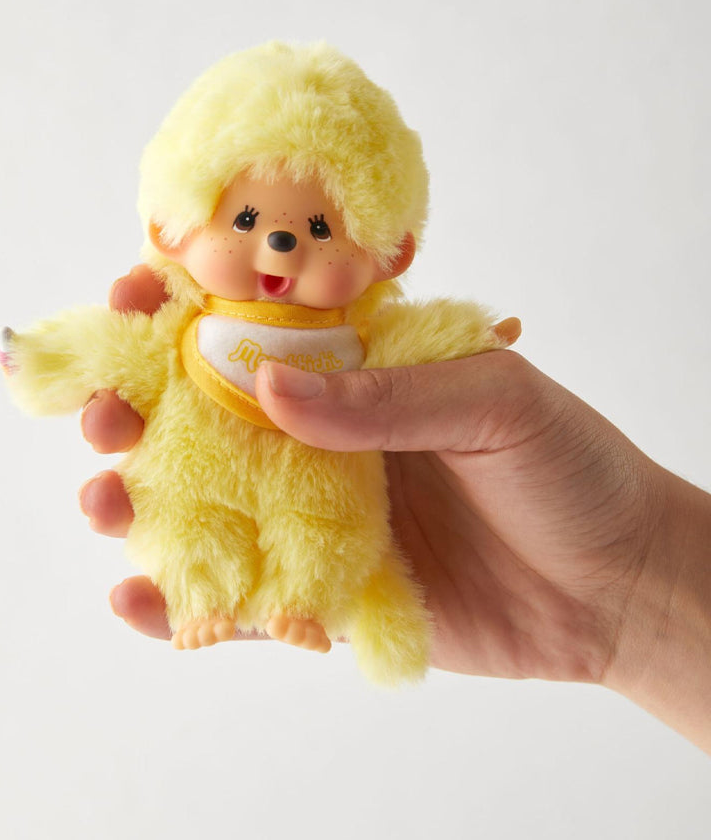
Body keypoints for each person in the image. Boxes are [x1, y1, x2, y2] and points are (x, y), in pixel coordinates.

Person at [78, 266, 711, 754]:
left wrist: (472, 344)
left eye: (319, 228)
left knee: (324, 532)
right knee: (190, 525)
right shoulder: (180, 337)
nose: (281, 245)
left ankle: (304, 602)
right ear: (173, 233)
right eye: (245, 222)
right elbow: (112, 351)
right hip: (199, 483)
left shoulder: (354, 341)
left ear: (387, 253)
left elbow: (417, 341)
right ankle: (204, 601)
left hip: (324, 490)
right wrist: (53, 360)